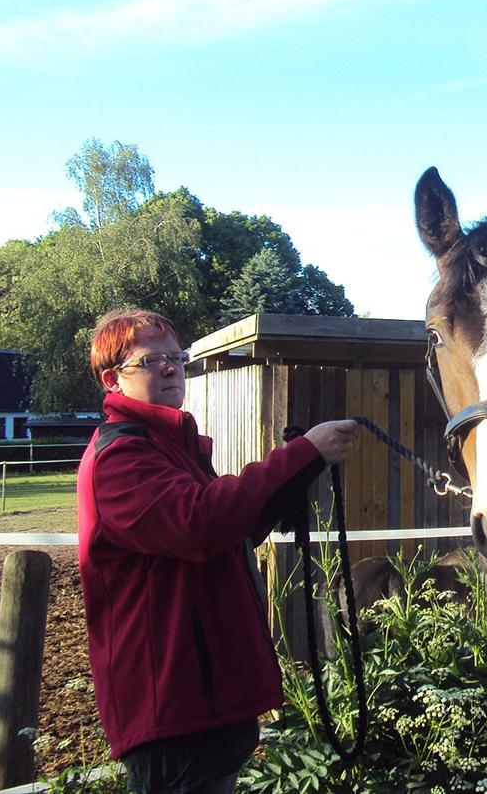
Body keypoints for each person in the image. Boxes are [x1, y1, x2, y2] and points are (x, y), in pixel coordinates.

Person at [76, 309, 360, 793]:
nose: (170, 369)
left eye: (176, 357)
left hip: (203, 702)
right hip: (173, 708)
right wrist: (303, 454)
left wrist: (291, 482)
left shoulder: (172, 447)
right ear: (112, 379)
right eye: (150, 361)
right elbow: (198, 523)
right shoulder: (118, 457)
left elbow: (228, 532)